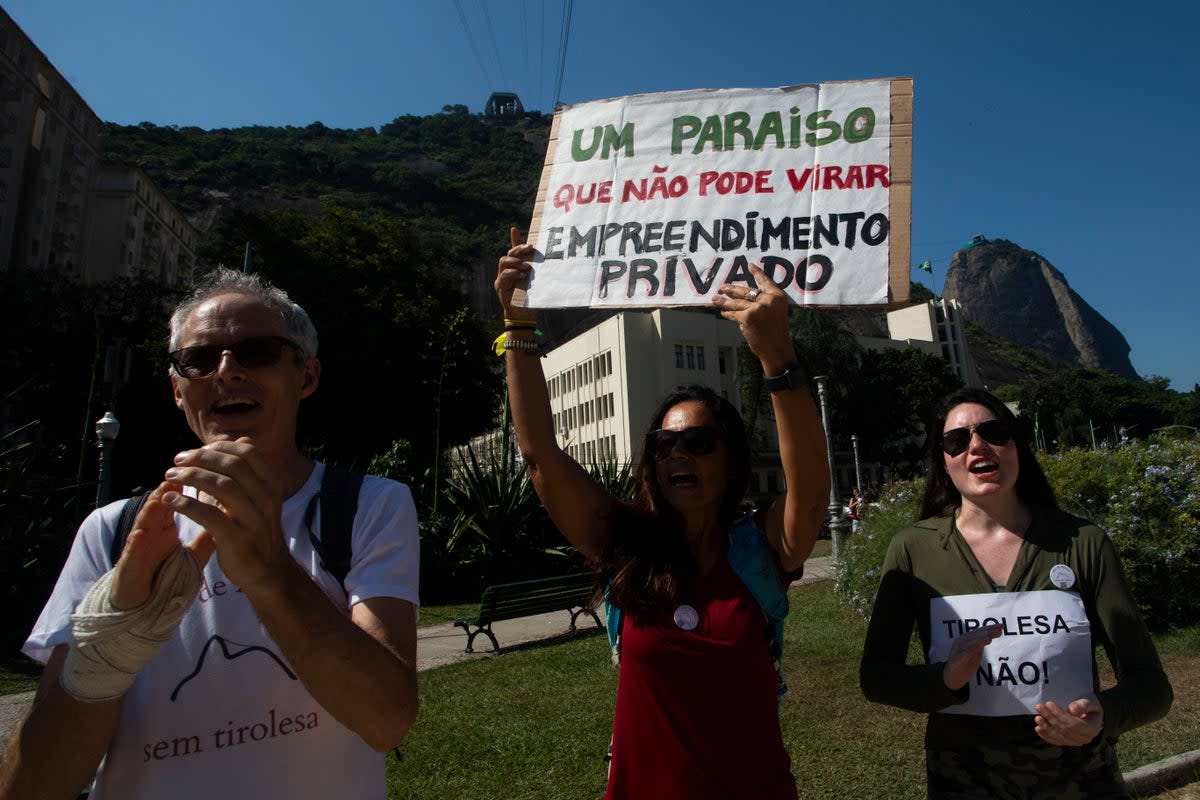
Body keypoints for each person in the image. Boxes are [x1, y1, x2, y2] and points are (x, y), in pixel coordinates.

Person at [0, 269, 420, 800]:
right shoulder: (114, 533)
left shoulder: (365, 505)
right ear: (178, 390)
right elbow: (31, 789)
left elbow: (386, 721)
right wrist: (113, 644)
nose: (226, 371)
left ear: (306, 377)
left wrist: (269, 572)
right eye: (199, 359)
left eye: (258, 352)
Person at [495, 228, 831, 799]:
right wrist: (518, 326)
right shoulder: (625, 544)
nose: (677, 452)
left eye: (698, 442)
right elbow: (541, 458)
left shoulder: (762, 548)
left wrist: (777, 354)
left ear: (729, 460)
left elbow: (811, 490)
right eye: (664, 443)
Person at [860, 387, 1172, 799]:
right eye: (957, 440)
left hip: (1081, 783)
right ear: (943, 460)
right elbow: (876, 677)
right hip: (963, 785)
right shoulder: (912, 549)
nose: (977, 445)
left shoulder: (1084, 543)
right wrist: (946, 678)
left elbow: (1152, 686)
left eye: (993, 431)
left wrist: (1103, 716)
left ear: (1017, 446)